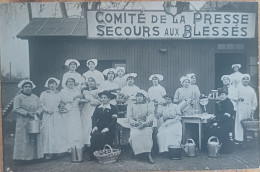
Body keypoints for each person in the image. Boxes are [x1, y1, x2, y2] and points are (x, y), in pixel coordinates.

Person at [13, 80, 43, 161]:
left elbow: (41, 107)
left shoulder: (36, 97)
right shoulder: (18, 97)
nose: (28, 88)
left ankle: (36, 157)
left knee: (35, 137)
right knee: (24, 138)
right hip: (23, 120)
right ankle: (23, 158)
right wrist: (27, 113)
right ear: (22, 88)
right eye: (26, 87)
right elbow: (16, 108)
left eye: (29, 87)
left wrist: (37, 113)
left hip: (34, 119)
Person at [40, 77, 67, 159]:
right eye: (50, 84)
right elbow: (41, 104)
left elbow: (64, 103)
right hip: (47, 115)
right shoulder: (44, 93)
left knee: (57, 133)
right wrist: (47, 110)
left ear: (56, 85)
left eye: (53, 83)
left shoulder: (59, 93)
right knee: (48, 133)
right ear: (48, 85)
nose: (52, 85)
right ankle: (48, 152)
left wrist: (62, 108)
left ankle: (58, 151)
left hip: (57, 115)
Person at [88, 90, 118, 161]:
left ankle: (103, 154)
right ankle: (93, 154)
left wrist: (107, 128)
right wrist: (94, 126)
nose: (103, 99)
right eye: (102, 98)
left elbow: (114, 121)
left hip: (109, 128)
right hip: (99, 127)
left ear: (109, 99)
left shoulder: (113, 108)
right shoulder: (98, 107)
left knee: (103, 135)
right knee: (94, 134)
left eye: (105, 98)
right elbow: (94, 117)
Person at [127, 90, 155, 164]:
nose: (139, 98)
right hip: (135, 125)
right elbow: (129, 116)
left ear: (144, 97)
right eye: (138, 96)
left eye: (141, 96)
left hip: (145, 124)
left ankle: (148, 154)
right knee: (134, 135)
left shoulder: (148, 104)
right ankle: (137, 152)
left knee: (146, 134)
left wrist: (146, 122)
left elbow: (151, 115)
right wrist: (134, 122)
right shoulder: (131, 105)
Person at [206, 88, 235, 154]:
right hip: (222, 122)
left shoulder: (228, 103)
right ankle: (211, 147)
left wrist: (217, 122)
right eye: (220, 95)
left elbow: (226, 116)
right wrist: (215, 116)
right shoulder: (221, 103)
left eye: (223, 94)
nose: (222, 96)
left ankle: (224, 149)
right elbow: (219, 113)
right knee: (208, 127)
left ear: (226, 95)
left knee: (218, 129)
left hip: (227, 123)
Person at [231, 74, 258, 144]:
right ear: (242, 80)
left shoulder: (251, 90)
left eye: (247, 79)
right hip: (240, 107)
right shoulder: (238, 88)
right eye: (244, 79)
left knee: (247, 123)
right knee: (239, 123)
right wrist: (238, 99)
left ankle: (247, 138)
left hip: (248, 108)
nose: (245, 80)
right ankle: (239, 139)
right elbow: (233, 97)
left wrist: (253, 109)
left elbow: (254, 101)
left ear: (249, 80)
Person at [60, 78, 84, 151]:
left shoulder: (76, 90)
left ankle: (76, 146)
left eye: (72, 81)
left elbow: (79, 100)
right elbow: (65, 100)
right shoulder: (63, 91)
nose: (71, 83)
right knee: (69, 128)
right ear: (66, 83)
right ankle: (68, 147)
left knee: (76, 128)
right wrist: (76, 96)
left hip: (76, 110)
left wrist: (82, 100)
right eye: (69, 81)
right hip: (68, 111)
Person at [81, 77, 101, 147]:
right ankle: (84, 143)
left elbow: (100, 101)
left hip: (93, 109)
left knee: (91, 124)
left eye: (92, 81)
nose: (90, 82)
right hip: (85, 109)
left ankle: (90, 142)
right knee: (84, 124)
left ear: (95, 83)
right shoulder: (84, 90)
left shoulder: (97, 90)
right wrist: (84, 100)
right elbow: (80, 99)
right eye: (89, 81)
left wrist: (91, 100)